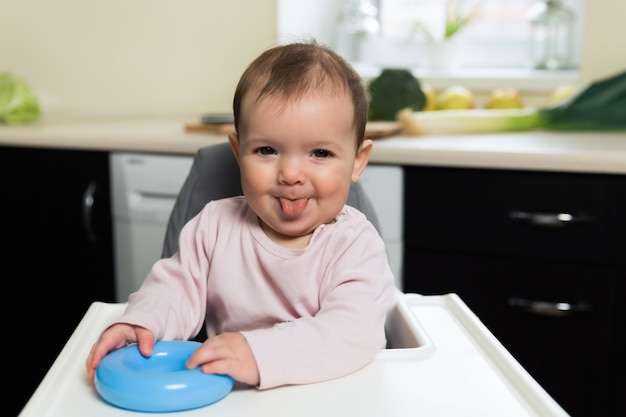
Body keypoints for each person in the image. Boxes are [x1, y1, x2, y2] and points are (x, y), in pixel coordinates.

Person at [86, 40, 396, 389]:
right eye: (267, 150)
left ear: (357, 160)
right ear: (238, 152)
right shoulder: (214, 226)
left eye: (320, 153)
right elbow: (174, 289)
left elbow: (351, 332)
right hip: (227, 394)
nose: (291, 174)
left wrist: (259, 354)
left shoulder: (355, 245)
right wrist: (141, 323)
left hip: (328, 396)